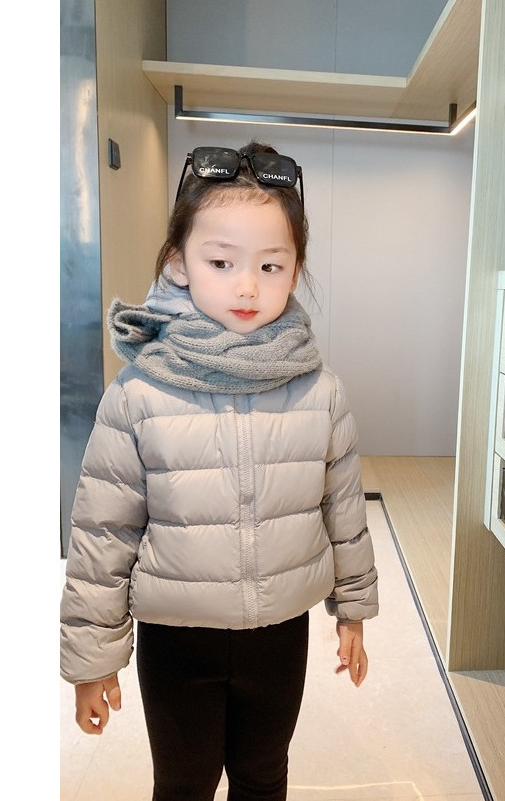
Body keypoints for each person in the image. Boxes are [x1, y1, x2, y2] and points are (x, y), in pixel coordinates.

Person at [60, 141, 379, 801]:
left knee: (264, 776)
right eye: (221, 261)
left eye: (270, 264)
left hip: (280, 634)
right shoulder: (138, 393)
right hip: (177, 639)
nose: (247, 285)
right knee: (184, 783)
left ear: (295, 270)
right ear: (179, 262)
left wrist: (353, 611)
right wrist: (93, 660)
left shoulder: (321, 391)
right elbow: (103, 536)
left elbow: (344, 510)